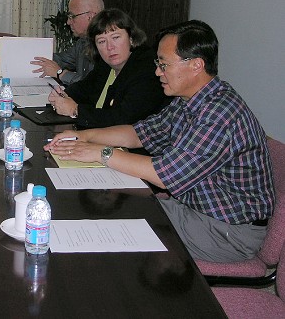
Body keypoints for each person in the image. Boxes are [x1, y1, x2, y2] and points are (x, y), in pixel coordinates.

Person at [45, 20, 274, 262]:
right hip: (193, 209)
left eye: (164, 65)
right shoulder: (189, 100)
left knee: (115, 232)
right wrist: (84, 136)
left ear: (196, 65)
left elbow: (164, 175)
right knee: (111, 208)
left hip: (226, 231)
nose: (157, 72)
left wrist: (101, 152)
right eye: (158, 64)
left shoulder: (219, 113)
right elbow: (138, 133)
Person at [48, 8, 169, 129]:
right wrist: (62, 95)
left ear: (131, 38)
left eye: (115, 38)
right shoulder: (106, 64)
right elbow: (83, 88)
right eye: (101, 41)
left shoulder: (147, 69)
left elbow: (123, 119)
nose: (109, 47)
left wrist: (75, 110)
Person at [31, 0, 104, 85]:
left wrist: (60, 73)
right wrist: (26, 54)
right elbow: (60, 59)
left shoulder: (107, 47)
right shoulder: (82, 42)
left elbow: (92, 85)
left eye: (72, 16)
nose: (68, 22)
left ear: (90, 16)